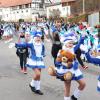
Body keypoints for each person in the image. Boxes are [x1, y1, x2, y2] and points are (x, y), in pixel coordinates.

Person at [15, 31, 45, 95]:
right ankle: (31, 84)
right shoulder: (32, 44)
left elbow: (43, 51)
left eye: (39, 37)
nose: (38, 38)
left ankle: (37, 89)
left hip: (40, 61)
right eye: (37, 37)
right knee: (38, 74)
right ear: (34, 37)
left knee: (39, 76)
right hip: (33, 61)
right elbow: (24, 45)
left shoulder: (42, 44)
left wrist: (43, 54)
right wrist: (16, 44)